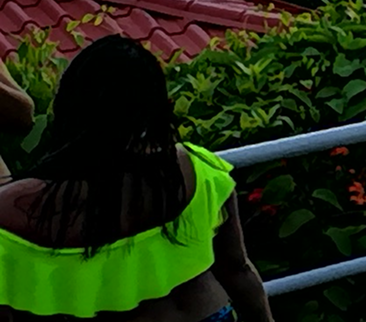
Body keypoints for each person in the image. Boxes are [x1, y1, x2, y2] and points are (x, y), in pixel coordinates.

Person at [0, 36, 274, 322]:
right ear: (153, 105)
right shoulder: (198, 168)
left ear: (69, 104)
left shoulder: (17, 206)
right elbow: (238, 271)